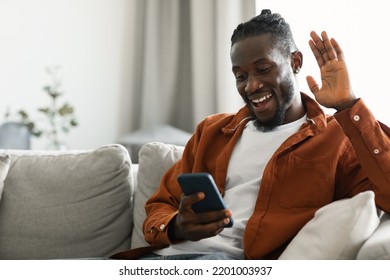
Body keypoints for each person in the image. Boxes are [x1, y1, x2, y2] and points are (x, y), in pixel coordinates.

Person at [111, 9, 390, 260]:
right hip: (160, 259)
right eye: (240, 76)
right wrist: (175, 225)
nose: (252, 85)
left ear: (294, 61)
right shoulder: (211, 132)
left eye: (263, 69)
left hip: (224, 264)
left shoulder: (338, 139)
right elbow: (161, 204)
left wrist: (348, 105)